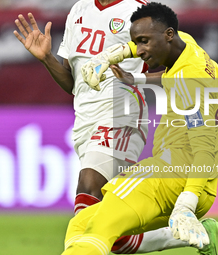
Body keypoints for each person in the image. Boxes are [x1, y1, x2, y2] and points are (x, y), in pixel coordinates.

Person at [61, 2, 218, 255]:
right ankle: (194, 235)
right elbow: (170, 76)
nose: (140, 51)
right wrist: (116, 64)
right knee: (85, 222)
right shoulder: (188, 48)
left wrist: (185, 205)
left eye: (145, 42)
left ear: (168, 35)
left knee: (92, 229)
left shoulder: (191, 82)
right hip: (197, 187)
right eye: (138, 42)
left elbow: (204, 151)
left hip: (172, 179)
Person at [13, 0, 164, 253]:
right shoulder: (79, 10)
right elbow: (73, 83)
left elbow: (175, 64)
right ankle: (183, 233)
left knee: (88, 185)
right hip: (85, 120)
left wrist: (137, 79)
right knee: (109, 231)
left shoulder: (140, 11)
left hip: (121, 114)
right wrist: (46, 58)